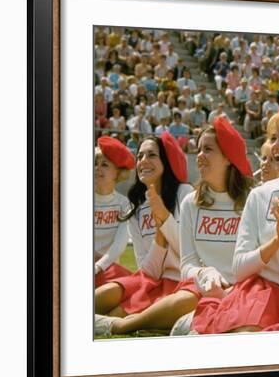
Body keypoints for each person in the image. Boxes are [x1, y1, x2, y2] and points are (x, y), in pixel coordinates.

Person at [192, 99, 279, 334]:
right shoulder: (259, 196)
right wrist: (276, 242)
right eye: (272, 138)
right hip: (259, 295)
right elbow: (239, 269)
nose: (275, 146)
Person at [94, 133, 197, 335]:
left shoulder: (184, 193)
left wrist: (164, 220)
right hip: (151, 279)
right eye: (140, 156)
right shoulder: (136, 207)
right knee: (101, 297)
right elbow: (145, 267)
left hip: (182, 281)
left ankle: (122, 323)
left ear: (165, 161)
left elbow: (190, 252)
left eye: (151, 155)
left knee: (117, 312)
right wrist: (160, 239)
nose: (143, 161)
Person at [172, 118, 254, 335]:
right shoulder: (190, 202)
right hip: (204, 289)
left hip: (246, 292)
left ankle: (189, 324)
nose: (199, 156)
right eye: (198, 149)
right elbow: (186, 265)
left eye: (207, 149)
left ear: (228, 157)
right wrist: (205, 272)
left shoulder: (252, 199)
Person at [94, 136, 135, 288]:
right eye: (95, 164)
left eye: (104, 165)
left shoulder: (124, 204)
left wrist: (98, 266)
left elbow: (120, 243)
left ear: (117, 173)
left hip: (109, 270)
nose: (97, 168)